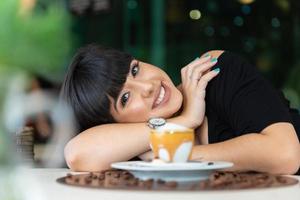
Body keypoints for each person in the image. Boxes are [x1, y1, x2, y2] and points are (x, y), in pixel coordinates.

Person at [60, 44, 300, 174]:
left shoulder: (211, 73)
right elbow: (76, 154)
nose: (148, 86)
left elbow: (285, 155)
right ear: (112, 126)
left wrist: (176, 157)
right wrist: (186, 120)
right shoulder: (138, 145)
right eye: (124, 98)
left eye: (135, 70)